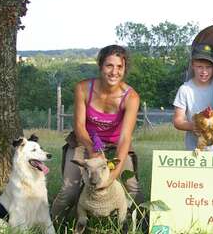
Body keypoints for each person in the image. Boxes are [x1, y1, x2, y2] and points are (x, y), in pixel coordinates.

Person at [51, 45, 144, 221]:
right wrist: (93, 150)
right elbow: (79, 126)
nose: (114, 72)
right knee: (69, 191)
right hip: (84, 141)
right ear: (100, 66)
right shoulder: (83, 88)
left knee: (133, 188)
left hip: (115, 144)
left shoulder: (131, 97)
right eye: (109, 65)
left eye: (119, 67)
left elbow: (125, 138)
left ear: (124, 69)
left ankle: (143, 224)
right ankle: (52, 225)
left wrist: (113, 175)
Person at [172, 43, 213, 151]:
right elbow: (177, 121)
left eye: (208, 67)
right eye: (199, 67)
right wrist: (194, 126)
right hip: (194, 149)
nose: (204, 72)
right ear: (192, 65)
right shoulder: (184, 89)